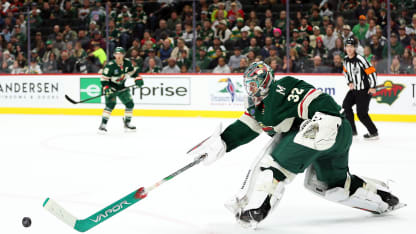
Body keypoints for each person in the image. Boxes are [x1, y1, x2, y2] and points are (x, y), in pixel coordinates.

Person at [188, 61, 403, 228]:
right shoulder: (256, 106)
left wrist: (327, 121)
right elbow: (245, 128)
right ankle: (382, 198)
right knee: (330, 186)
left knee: (274, 166)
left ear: (266, 81)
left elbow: (319, 102)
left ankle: (258, 209)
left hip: (328, 128)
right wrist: (222, 142)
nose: (251, 89)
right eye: (248, 85)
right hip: (327, 137)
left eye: (255, 83)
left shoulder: (283, 88)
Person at [98, 47, 144, 133]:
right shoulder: (110, 66)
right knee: (110, 105)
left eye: (120, 54)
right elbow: (104, 80)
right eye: (117, 54)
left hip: (122, 87)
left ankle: (127, 123)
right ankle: (103, 125)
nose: (118, 56)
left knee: (130, 104)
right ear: (114, 55)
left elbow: (133, 73)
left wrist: (138, 78)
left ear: (124, 55)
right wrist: (107, 88)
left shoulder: (127, 63)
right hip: (112, 88)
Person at [342, 37, 378, 139]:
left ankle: (373, 132)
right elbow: (345, 72)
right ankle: (352, 130)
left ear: (355, 48)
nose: (349, 49)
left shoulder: (361, 59)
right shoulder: (345, 60)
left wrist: (373, 86)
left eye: (351, 46)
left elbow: (372, 72)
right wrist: (349, 82)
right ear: (345, 48)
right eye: (347, 46)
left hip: (364, 90)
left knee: (361, 114)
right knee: (346, 106)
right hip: (354, 90)